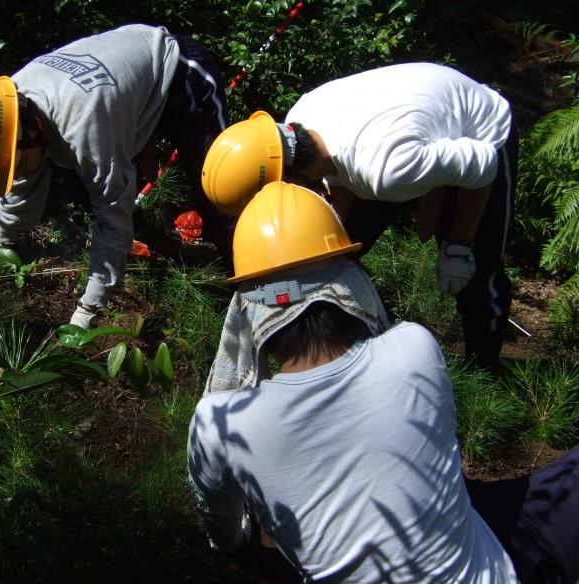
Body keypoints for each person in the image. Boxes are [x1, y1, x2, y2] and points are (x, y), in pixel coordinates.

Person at [188, 181, 579, 583]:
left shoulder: (218, 425)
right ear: (349, 283)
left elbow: (221, 522)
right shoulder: (414, 349)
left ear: (250, 310)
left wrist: (237, 543)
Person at [200, 62, 517, 369]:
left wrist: (458, 244)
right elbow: (337, 176)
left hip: (480, 134)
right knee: (338, 250)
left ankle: (484, 369)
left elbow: (483, 166)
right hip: (409, 139)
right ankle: (336, 344)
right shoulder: (301, 123)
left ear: (290, 178)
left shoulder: (386, 169)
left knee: (477, 276)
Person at [0, 24, 230, 328]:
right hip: (123, 85)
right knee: (129, 166)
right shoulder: (9, 106)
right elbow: (22, 182)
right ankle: (159, 232)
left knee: (219, 187)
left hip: (181, 71)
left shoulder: (82, 126)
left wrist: (88, 308)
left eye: (17, 163)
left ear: (27, 129)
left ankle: (253, 286)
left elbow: (112, 212)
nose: (17, 174)